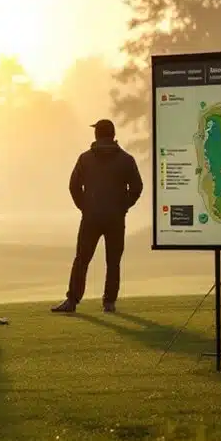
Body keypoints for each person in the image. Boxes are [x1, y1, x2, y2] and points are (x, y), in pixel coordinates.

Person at [53, 119, 143, 314]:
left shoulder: (85, 159)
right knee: (113, 261)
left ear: (97, 135)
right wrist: (123, 206)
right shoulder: (126, 159)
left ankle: (72, 300)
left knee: (82, 259)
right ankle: (109, 302)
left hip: (91, 217)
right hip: (115, 218)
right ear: (112, 134)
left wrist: (84, 206)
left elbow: (74, 186)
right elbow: (137, 188)